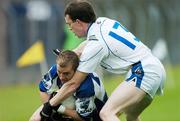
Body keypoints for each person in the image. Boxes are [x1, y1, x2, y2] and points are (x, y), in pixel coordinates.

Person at [40, 0, 166, 121]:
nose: (70, 28)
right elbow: (90, 43)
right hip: (154, 67)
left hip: (144, 72)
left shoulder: (96, 44)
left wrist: (49, 106)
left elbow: (73, 84)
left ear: (78, 22)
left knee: (106, 114)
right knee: (131, 116)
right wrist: (74, 52)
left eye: (69, 24)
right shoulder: (102, 22)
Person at [29, 50, 108, 121]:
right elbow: (43, 89)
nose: (62, 77)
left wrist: (60, 109)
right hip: (68, 104)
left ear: (76, 70)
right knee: (35, 119)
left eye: (66, 73)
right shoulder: (55, 71)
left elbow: (84, 118)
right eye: (59, 72)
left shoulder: (86, 86)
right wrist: (48, 109)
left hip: (95, 116)